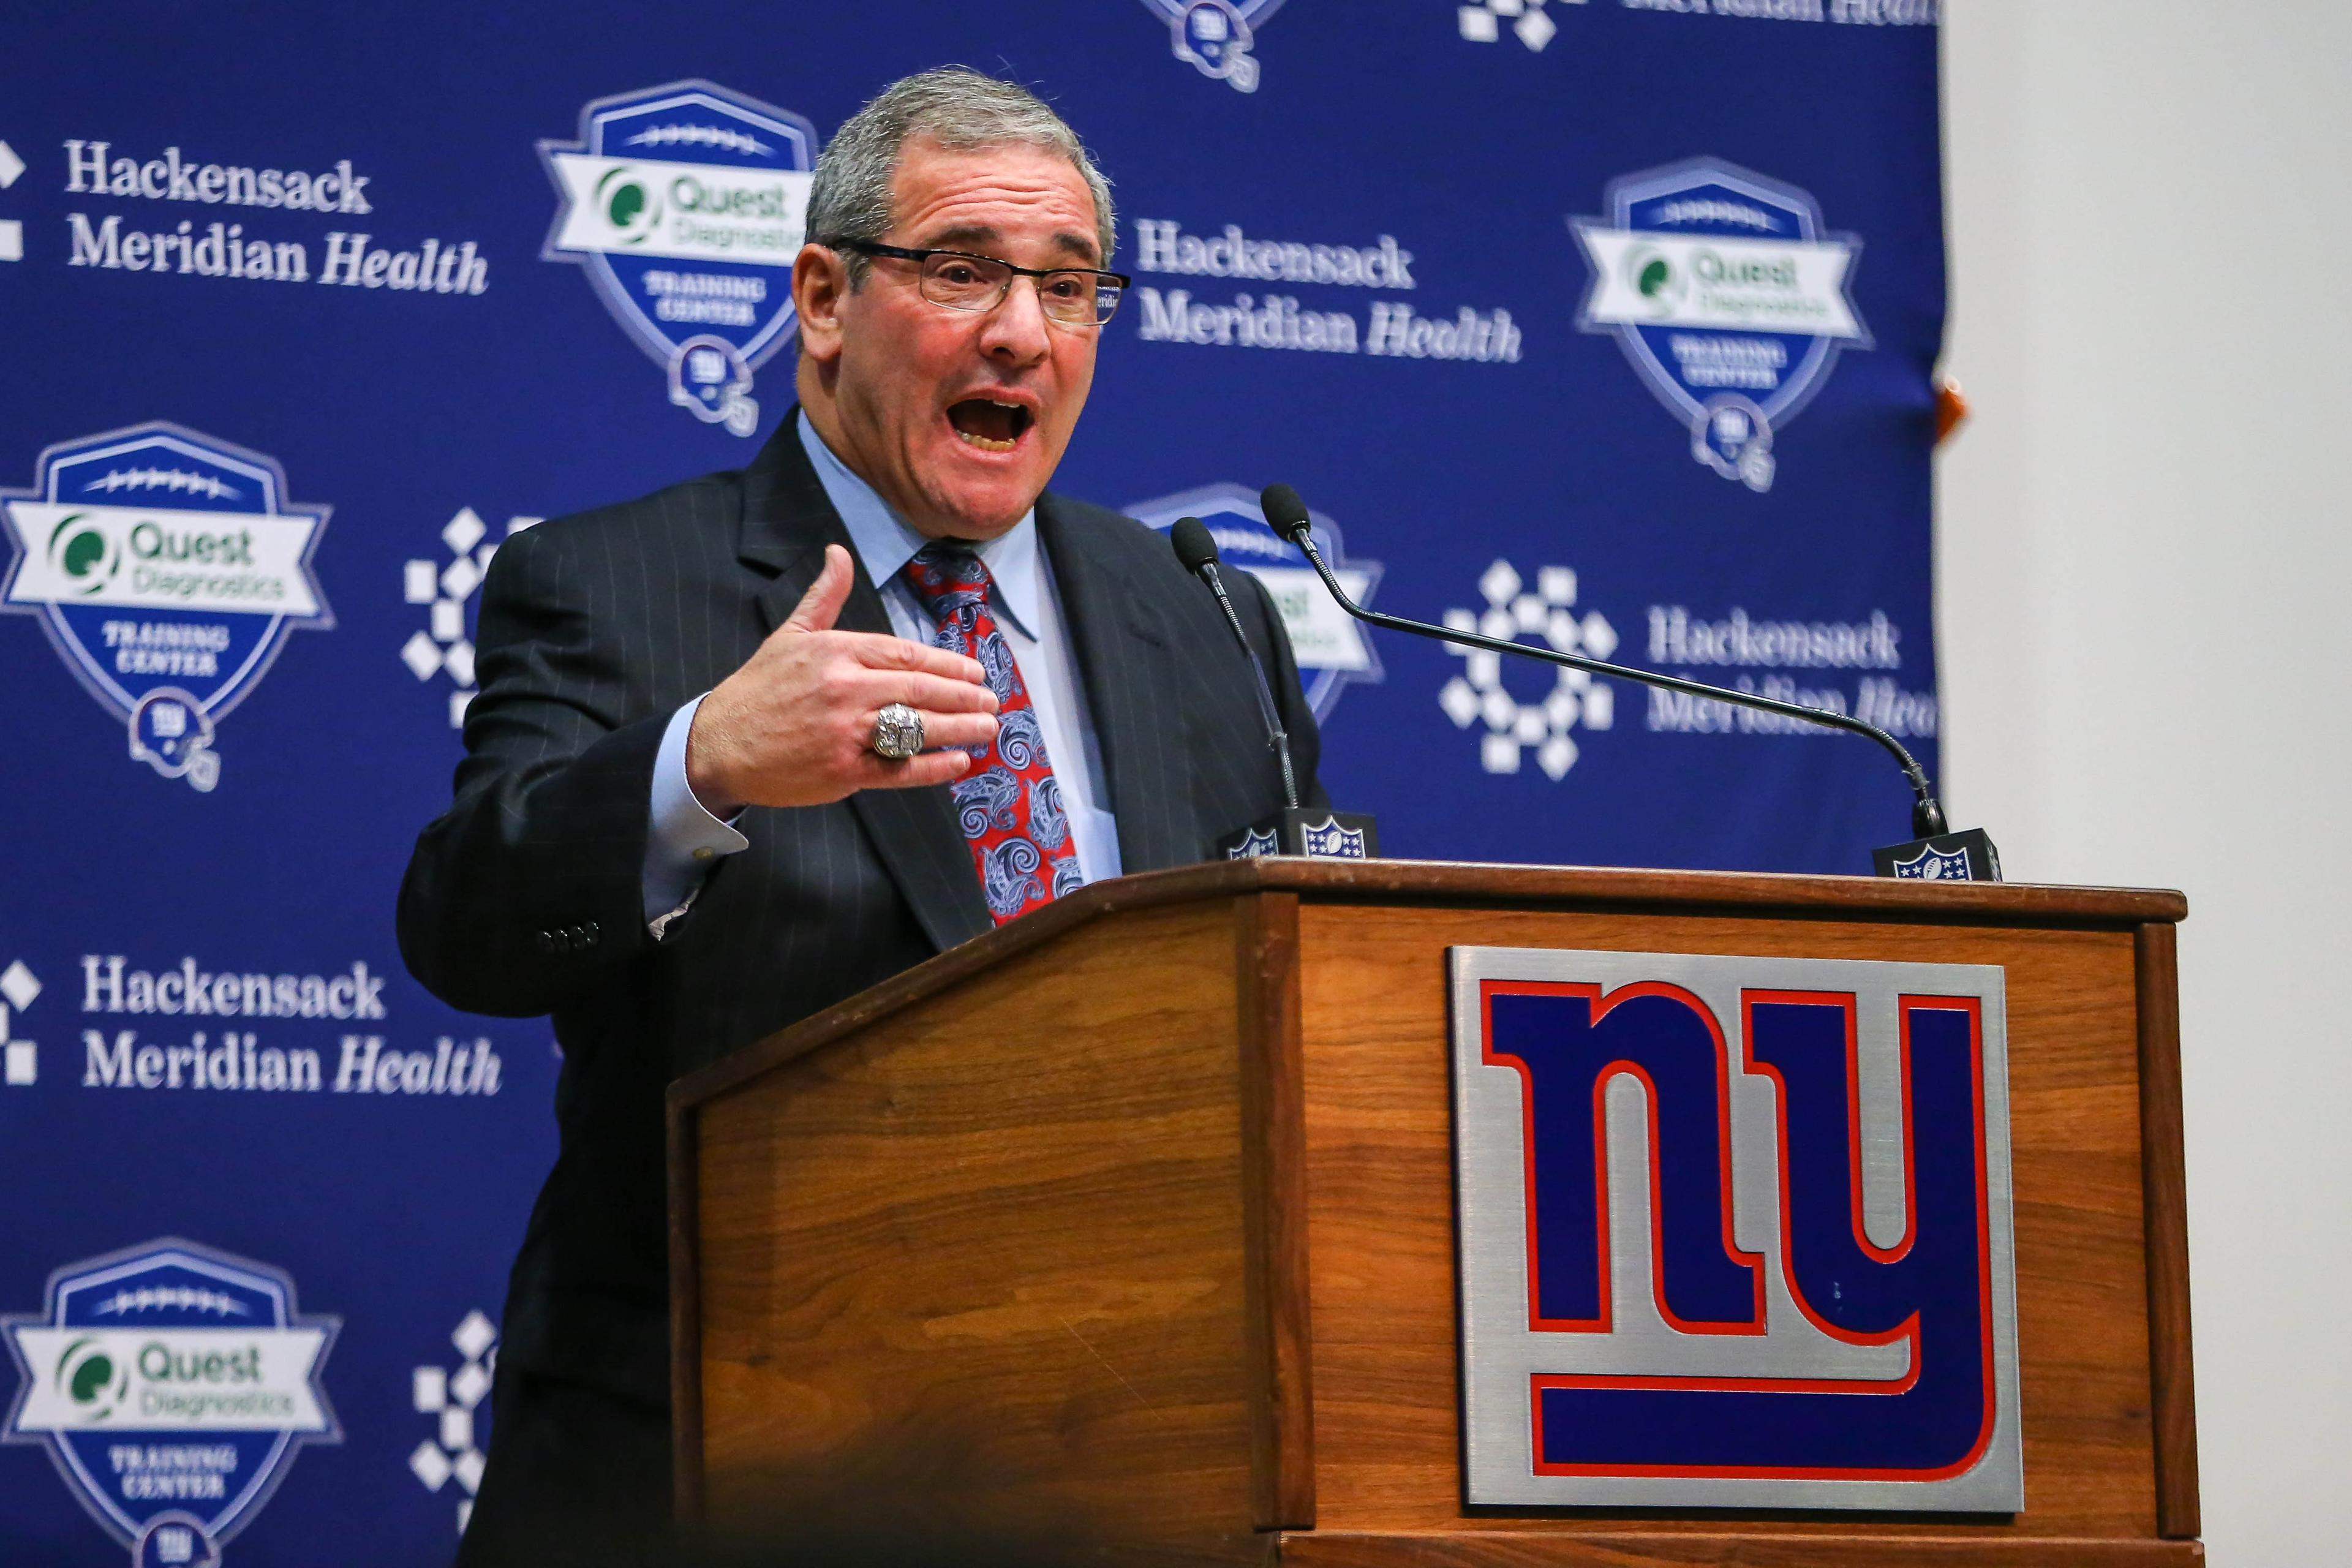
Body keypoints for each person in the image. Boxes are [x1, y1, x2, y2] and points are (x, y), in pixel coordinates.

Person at [396, 67, 1323, 1559]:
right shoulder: (614, 582)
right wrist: (704, 759)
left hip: (1139, 1449)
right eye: (962, 271)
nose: (1020, 330)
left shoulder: (1203, 609)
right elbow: (466, 929)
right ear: (822, 297)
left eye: (1069, 286)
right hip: (730, 1463)